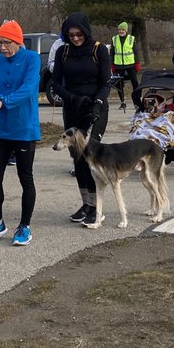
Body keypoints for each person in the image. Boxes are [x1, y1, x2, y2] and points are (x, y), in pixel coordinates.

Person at [0, 21, 41, 247]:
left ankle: (24, 226)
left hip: (24, 128)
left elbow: (28, 89)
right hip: (1, 128)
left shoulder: (31, 59)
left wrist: (3, 102)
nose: (2, 47)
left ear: (18, 42)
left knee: (25, 177)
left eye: (7, 43)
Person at [51, 12, 112, 226]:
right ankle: (86, 203)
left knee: (90, 157)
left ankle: (98, 207)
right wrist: (72, 98)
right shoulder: (63, 51)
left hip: (94, 109)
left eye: (79, 35)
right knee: (77, 157)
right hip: (73, 106)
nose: (76, 38)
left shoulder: (99, 50)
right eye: (71, 35)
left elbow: (106, 82)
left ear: (86, 32)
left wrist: (97, 103)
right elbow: (55, 84)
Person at [110, 22, 141, 112]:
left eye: (123, 29)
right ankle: (122, 102)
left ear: (126, 30)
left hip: (130, 64)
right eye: (119, 29)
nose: (121, 31)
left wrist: (137, 63)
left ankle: (137, 102)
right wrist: (112, 65)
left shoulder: (131, 38)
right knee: (119, 84)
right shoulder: (114, 39)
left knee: (135, 83)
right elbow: (112, 53)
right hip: (118, 65)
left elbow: (135, 52)